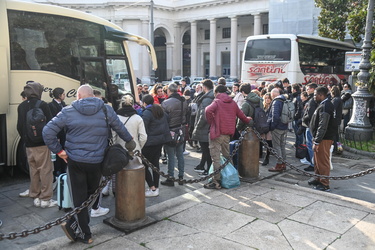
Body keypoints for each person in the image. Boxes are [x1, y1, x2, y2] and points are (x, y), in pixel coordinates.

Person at [42, 85, 135, 244]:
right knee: (91, 195)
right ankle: (81, 224)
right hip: (97, 161)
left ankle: (85, 233)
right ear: (93, 96)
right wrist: (130, 141)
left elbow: (47, 131)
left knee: (79, 197)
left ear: (78, 96)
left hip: (75, 161)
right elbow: (119, 127)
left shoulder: (68, 111)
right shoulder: (106, 110)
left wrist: (59, 151)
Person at [17, 81, 56, 208]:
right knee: (45, 170)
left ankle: (35, 195)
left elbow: (19, 126)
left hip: (28, 145)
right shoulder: (43, 104)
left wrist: (26, 138)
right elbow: (50, 124)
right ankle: (45, 199)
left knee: (33, 170)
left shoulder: (21, 106)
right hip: (42, 144)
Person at [204, 85, 251, 189]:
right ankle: (230, 177)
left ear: (216, 93)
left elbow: (207, 110)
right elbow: (241, 116)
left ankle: (216, 181)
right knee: (227, 156)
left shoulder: (216, 102)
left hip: (217, 133)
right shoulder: (232, 103)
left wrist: (212, 122)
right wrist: (248, 119)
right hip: (228, 134)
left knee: (215, 158)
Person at [141, 94, 171, 197]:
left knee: (144, 165)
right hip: (159, 142)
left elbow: (143, 129)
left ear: (144, 103)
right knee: (155, 165)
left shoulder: (146, 113)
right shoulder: (159, 110)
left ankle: (152, 187)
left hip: (149, 143)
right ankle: (156, 188)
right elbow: (168, 119)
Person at [308, 86, 336, 192]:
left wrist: (317, 140)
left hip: (324, 139)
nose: (314, 97)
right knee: (317, 160)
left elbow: (323, 125)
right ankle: (318, 178)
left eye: (315, 94)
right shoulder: (323, 104)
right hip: (320, 138)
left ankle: (324, 183)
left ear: (321, 95)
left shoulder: (326, 105)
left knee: (323, 161)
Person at [161, 83, 188, 186]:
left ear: (169, 91)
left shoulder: (166, 103)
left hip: (170, 131)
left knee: (170, 156)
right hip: (181, 129)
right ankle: (181, 177)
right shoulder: (183, 101)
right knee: (180, 154)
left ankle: (170, 177)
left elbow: (163, 120)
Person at [191, 79, 215, 175]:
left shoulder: (207, 99)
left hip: (205, 128)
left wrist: (197, 127)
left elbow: (203, 115)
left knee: (206, 150)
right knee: (206, 150)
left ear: (204, 87)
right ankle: (205, 168)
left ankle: (208, 169)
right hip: (208, 127)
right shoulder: (211, 96)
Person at [48, 88, 67, 183]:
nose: (65, 95)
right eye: (63, 94)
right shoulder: (51, 106)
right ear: (59, 95)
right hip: (57, 133)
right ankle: (57, 171)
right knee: (57, 152)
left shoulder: (64, 105)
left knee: (64, 150)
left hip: (64, 133)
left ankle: (64, 170)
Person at [267, 88, 288, 172]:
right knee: (282, 146)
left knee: (277, 147)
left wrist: (272, 127)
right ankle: (284, 164)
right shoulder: (285, 100)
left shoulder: (276, 102)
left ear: (273, 95)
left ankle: (279, 165)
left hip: (277, 127)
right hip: (285, 126)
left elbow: (275, 116)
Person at [301, 83, 318, 171]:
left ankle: (313, 163)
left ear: (312, 89)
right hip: (312, 126)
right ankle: (313, 162)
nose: (306, 91)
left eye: (308, 89)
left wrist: (304, 120)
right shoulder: (313, 99)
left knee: (310, 145)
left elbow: (310, 114)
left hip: (310, 126)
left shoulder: (312, 100)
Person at [261, 93, 273, 166]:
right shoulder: (263, 107)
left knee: (269, 142)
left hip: (269, 127)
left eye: (268, 98)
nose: (267, 99)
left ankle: (267, 157)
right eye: (266, 98)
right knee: (263, 141)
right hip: (263, 126)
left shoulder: (272, 107)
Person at [330, 86, 343, 154]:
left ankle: (335, 149)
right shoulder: (339, 99)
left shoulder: (335, 100)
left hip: (334, 120)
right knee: (337, 135)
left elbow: (333, 109)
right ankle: (339, 148)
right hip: (338, 119)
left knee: (334, 135)